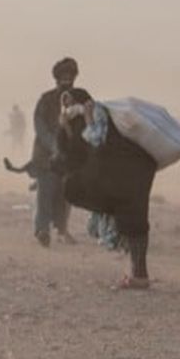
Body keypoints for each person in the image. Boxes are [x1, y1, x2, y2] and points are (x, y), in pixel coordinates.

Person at [57, 93, 157, 288]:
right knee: (134, 222)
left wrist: (82, 122)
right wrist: (67, 128)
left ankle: (139, 276)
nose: (67, 105)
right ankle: (138, 274)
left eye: (70, 101)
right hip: (135, 170)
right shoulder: (85, 118)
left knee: (133, 222)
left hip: (126, 172)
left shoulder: (96, 116)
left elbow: (90, 144)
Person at [21, 58, 84, 247]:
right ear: (56, 79)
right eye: (63, 77)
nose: (66, 81)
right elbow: (40, 127)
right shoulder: (46, 99)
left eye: (70, 77)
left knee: (66, 194)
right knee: (46, 191)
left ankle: (62, 230)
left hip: (69, 158)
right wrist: (55, 145)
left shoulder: (80, 100)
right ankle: (42, 230)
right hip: (46, 156)